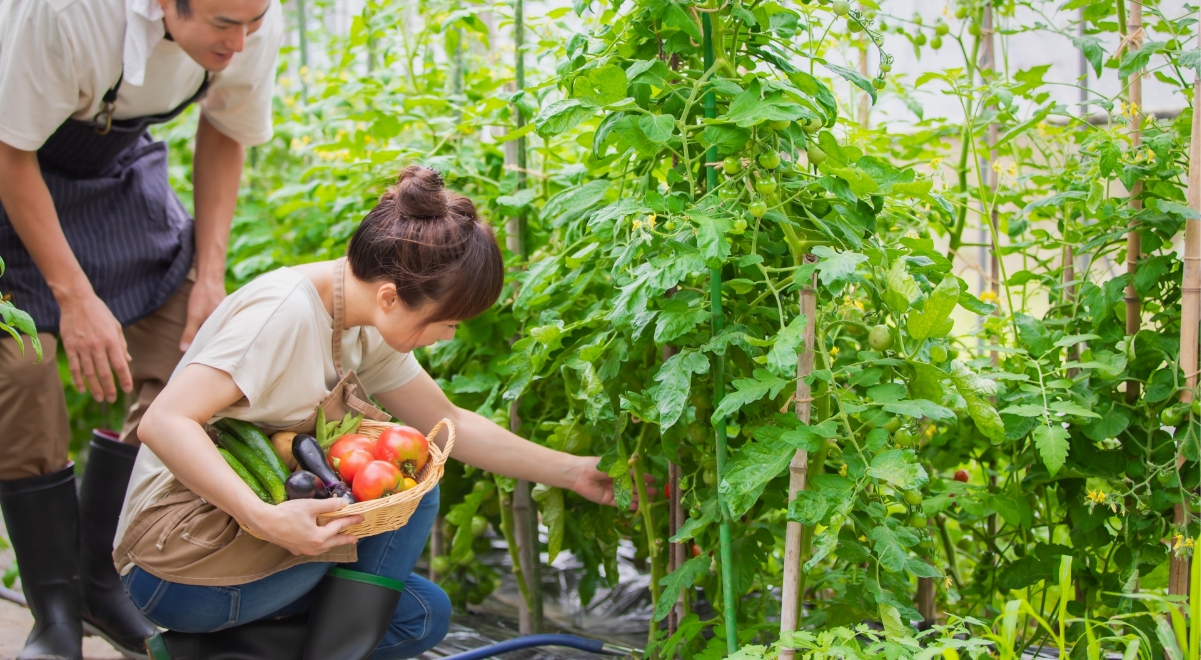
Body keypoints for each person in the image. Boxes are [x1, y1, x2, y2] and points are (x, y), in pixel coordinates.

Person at [115, 167, 629, 659]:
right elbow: (163, 422)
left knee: (421, 614)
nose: (447, 337)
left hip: (237, 545)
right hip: (176, 563)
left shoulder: (362, 325)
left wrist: (575, 471)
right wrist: (267, 520)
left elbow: (449, 421)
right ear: (390, 296)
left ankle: (191, 654)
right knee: (412, 494)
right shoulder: (284, 314)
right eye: (446, 323)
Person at [0, 0, 282, 656]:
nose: (240, 41)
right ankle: (55, 611)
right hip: (11, 175)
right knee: (21, 365)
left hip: (112, 179)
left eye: (253, 23)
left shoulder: (249, 15)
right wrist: (75, 299)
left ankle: (103, 580)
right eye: (221, 25)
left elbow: (226, 127)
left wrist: (209, 276)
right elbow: (10, 153)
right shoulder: (64, 14)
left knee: (188, 347)